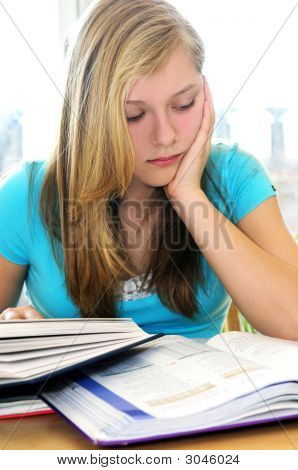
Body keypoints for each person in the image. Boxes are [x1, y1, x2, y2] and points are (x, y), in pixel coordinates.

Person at [0, 0, 298, 340]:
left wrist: (188, 195)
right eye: (134, 115)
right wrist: (16, 329)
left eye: (183, 104)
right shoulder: (24, 196)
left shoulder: (234, 175)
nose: (165, 136)